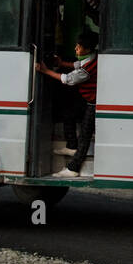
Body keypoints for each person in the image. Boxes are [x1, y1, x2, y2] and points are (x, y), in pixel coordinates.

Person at [37, 31, 98, 178]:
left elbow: (67, 79)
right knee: (68, 113)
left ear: (88, 49)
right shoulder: (92, 56)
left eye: (79, 46)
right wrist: (61, 63)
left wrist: (46, 71)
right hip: (88, 100)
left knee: (85, 136)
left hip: (93, 103)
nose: (76, 48)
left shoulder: (85, 70)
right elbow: (77, 64)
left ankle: (73, 168)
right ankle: (71, 145)